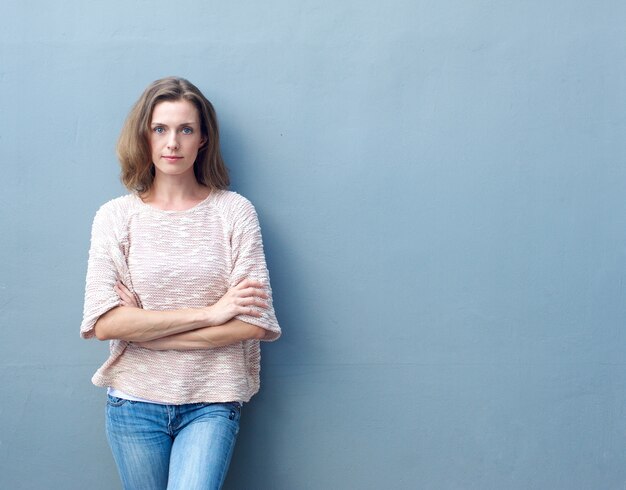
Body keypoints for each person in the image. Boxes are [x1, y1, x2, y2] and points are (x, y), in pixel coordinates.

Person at [80, 76, 281, 490]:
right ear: (145, 137)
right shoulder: (115, 217)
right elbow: (104, 324)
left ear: (203, 138)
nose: (172, 142)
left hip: (211, 401)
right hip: (133, 404)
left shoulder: (234, 212)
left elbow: (254, 323)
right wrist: (211, 313)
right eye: (160, 129)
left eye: (185, 129)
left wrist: (145, 329)